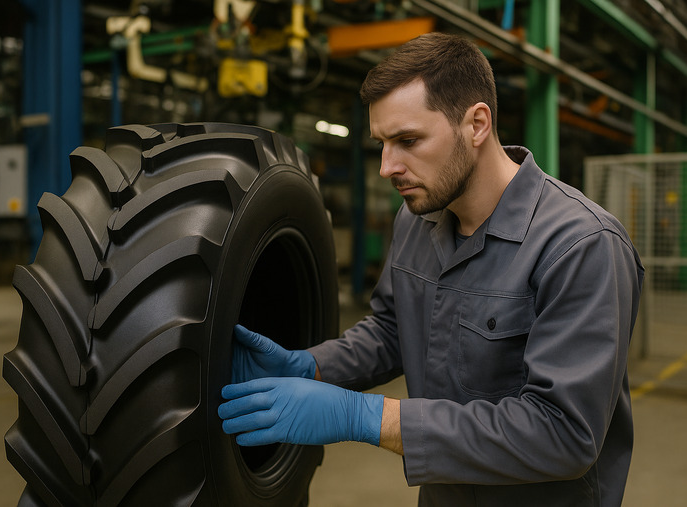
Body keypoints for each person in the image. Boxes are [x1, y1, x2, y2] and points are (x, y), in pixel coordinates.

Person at [218, 32, 644, 506]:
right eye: (382, 143)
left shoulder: (581, 245)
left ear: (477, 124)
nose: (386, 167)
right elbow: (392, 329)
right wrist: (314, 367)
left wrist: (366, 417)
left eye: (407, 140)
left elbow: (563, 434)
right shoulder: (416, 220)